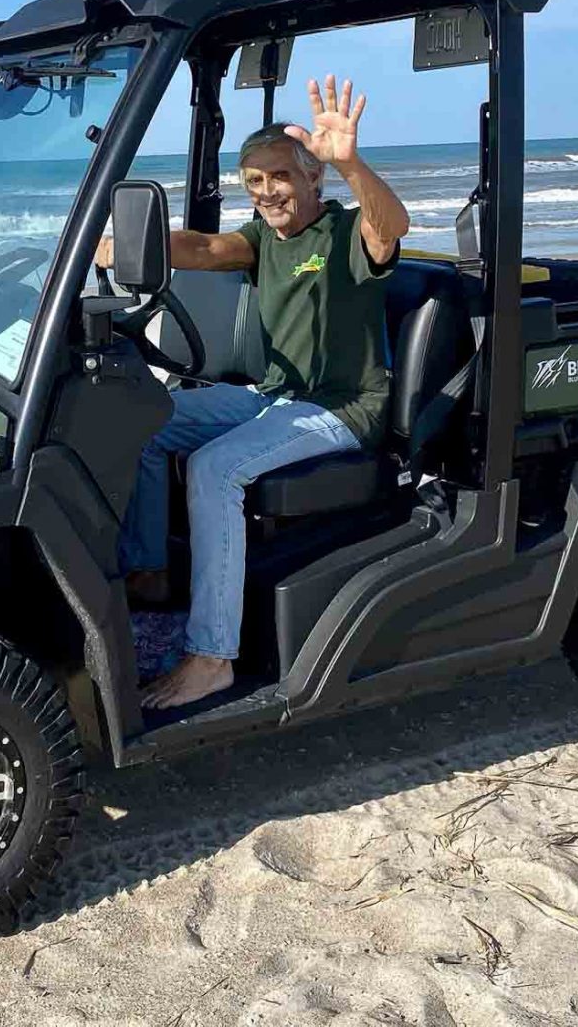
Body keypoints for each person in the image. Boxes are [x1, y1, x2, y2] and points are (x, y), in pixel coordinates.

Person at [96, 74, 410, 709]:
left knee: (214, 470)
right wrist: (123, 243)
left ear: (312, 178)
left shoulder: (346, 233)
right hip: (274, 394)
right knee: (143, 421)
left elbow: (392, 226)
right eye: (255, 181)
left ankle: (212, 657)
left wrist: (350, 162)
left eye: (280, 177)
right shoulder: (266, 238)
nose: (268, 192)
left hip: (343, 408)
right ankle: (151, 575)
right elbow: (207, 247)